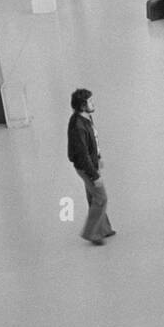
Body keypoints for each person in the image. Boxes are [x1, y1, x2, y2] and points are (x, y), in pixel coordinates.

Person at [67, 88, 115, 246]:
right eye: (90, 102)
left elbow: (93, 141)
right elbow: (82, 154)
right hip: (86, 167)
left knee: (94, 196)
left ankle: (104, 228)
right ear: (82, 106)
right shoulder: (78, 126)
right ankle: (92, 232)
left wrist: (99, 157)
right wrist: (95, 175)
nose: (93, 104)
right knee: (101, 197)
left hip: (91, 163)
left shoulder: (86, 118)